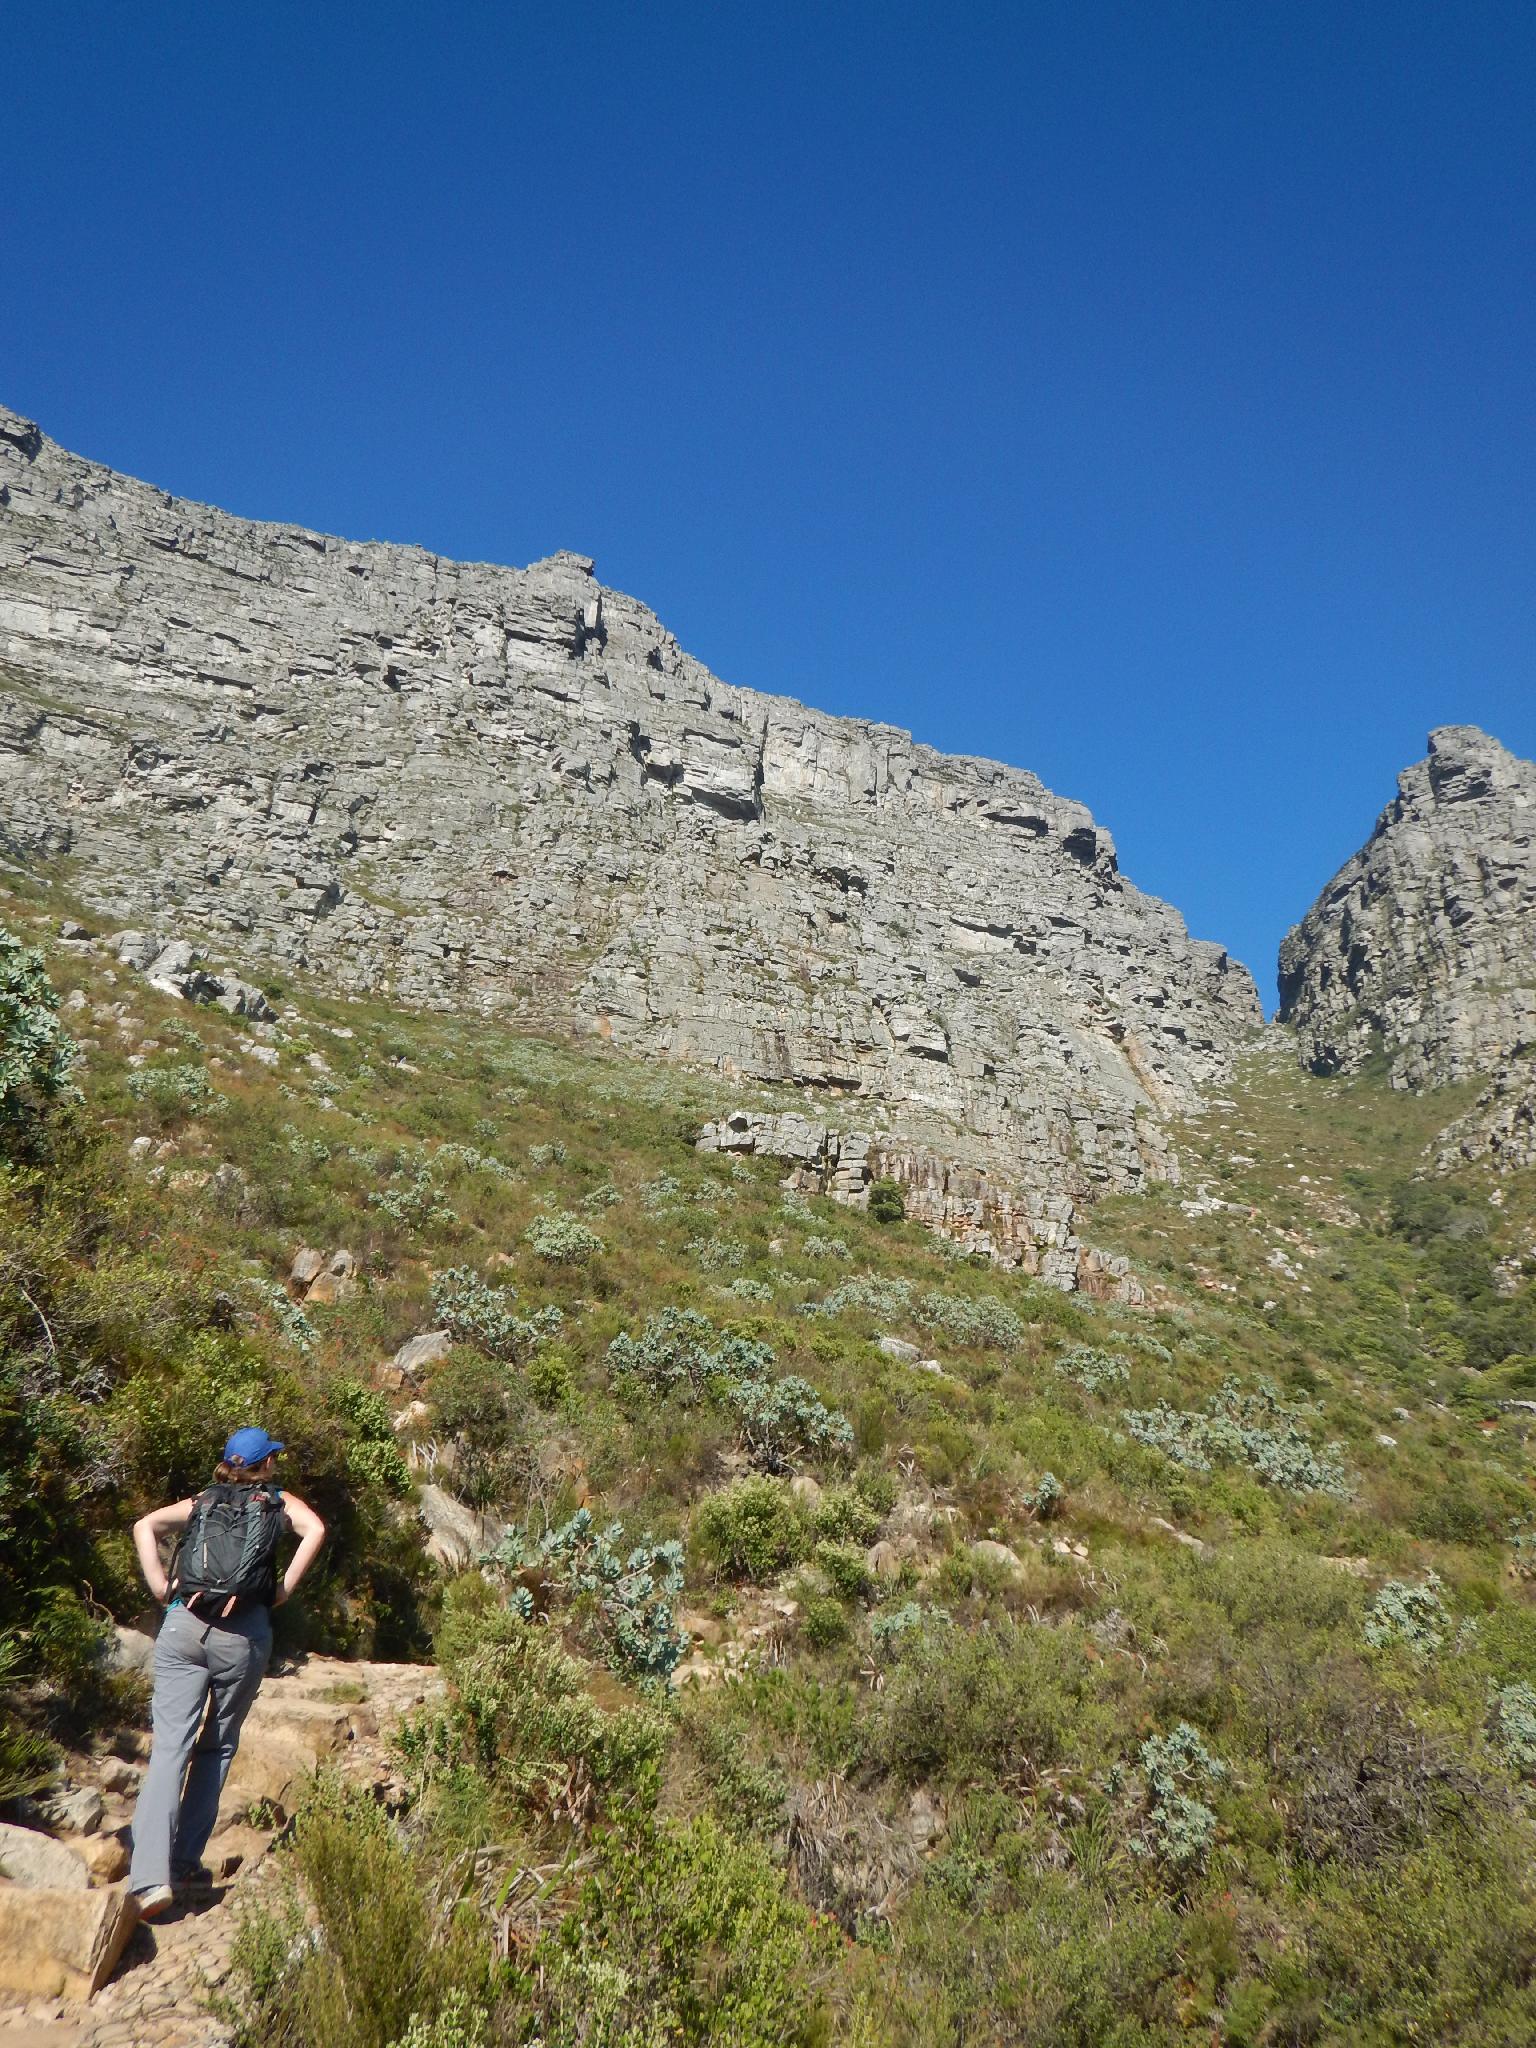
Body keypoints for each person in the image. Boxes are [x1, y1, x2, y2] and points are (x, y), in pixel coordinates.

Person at [126, 1426, 326, 1919]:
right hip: (243, 1636)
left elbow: (145, 1525)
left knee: (170, 1748)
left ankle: (148, 1880)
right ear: (267, 1464)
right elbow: (316, 1529)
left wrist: (161, 1587)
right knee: (215, 1747)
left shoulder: (203, 1501)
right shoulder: (278, 1502)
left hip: (183, 1626)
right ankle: (184, 1863)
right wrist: (283, 1589)